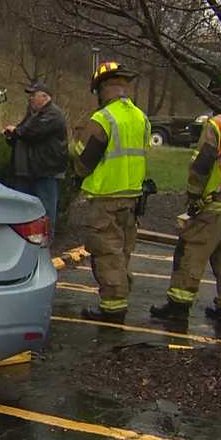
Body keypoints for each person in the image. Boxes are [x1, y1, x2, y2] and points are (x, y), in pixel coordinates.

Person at [150, 71, 221, 323]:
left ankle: (178, 307)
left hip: (214, 200)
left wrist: (194, 196)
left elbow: (202, 163)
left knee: (190, 250)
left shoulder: (217, 124)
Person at [74, 61, 150, 322]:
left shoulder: (103, 118)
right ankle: (121, 288)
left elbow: (84, 161)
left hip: (106, 198)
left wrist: (73, 148)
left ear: (103, 88)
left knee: (107, 252)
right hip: (132, 197)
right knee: (122, 251)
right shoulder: (140, 117)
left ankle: (113, 308)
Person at [5, 81, 67, 237]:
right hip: (26, 173)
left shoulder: (53, 114)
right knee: (22, 215)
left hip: (45, 172)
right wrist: (12, 136)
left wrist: (16, 131)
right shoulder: (33, 115)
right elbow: (22, 133)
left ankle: (45, 247)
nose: (30, 98)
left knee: (44, 215)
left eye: (33, 95)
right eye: (29, 95)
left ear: (45, 97)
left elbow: (31, 133)